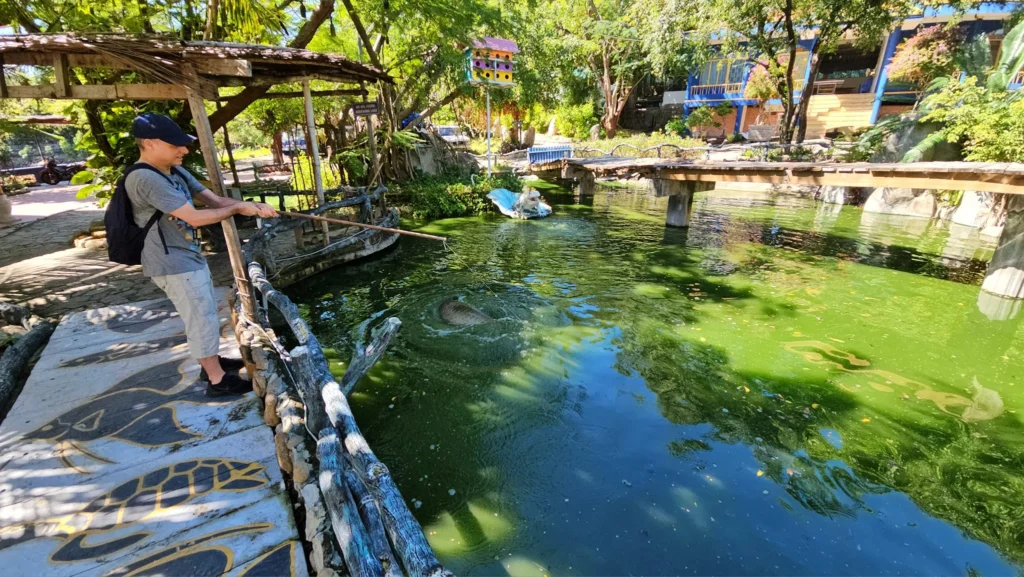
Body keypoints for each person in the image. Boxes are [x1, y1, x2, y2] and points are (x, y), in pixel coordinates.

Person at [126, 112, 278, 396]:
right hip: (171, 262)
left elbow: (216, 201)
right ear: (148, 143)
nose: (184, 150)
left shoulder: (175, 170)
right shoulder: (145, 178)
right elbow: (194, 217)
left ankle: (212, 362)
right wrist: (237, 210)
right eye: (175, 145)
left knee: (205, 311)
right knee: (199, 316)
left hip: (188, 256)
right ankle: (217, 381)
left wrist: (251, 206)